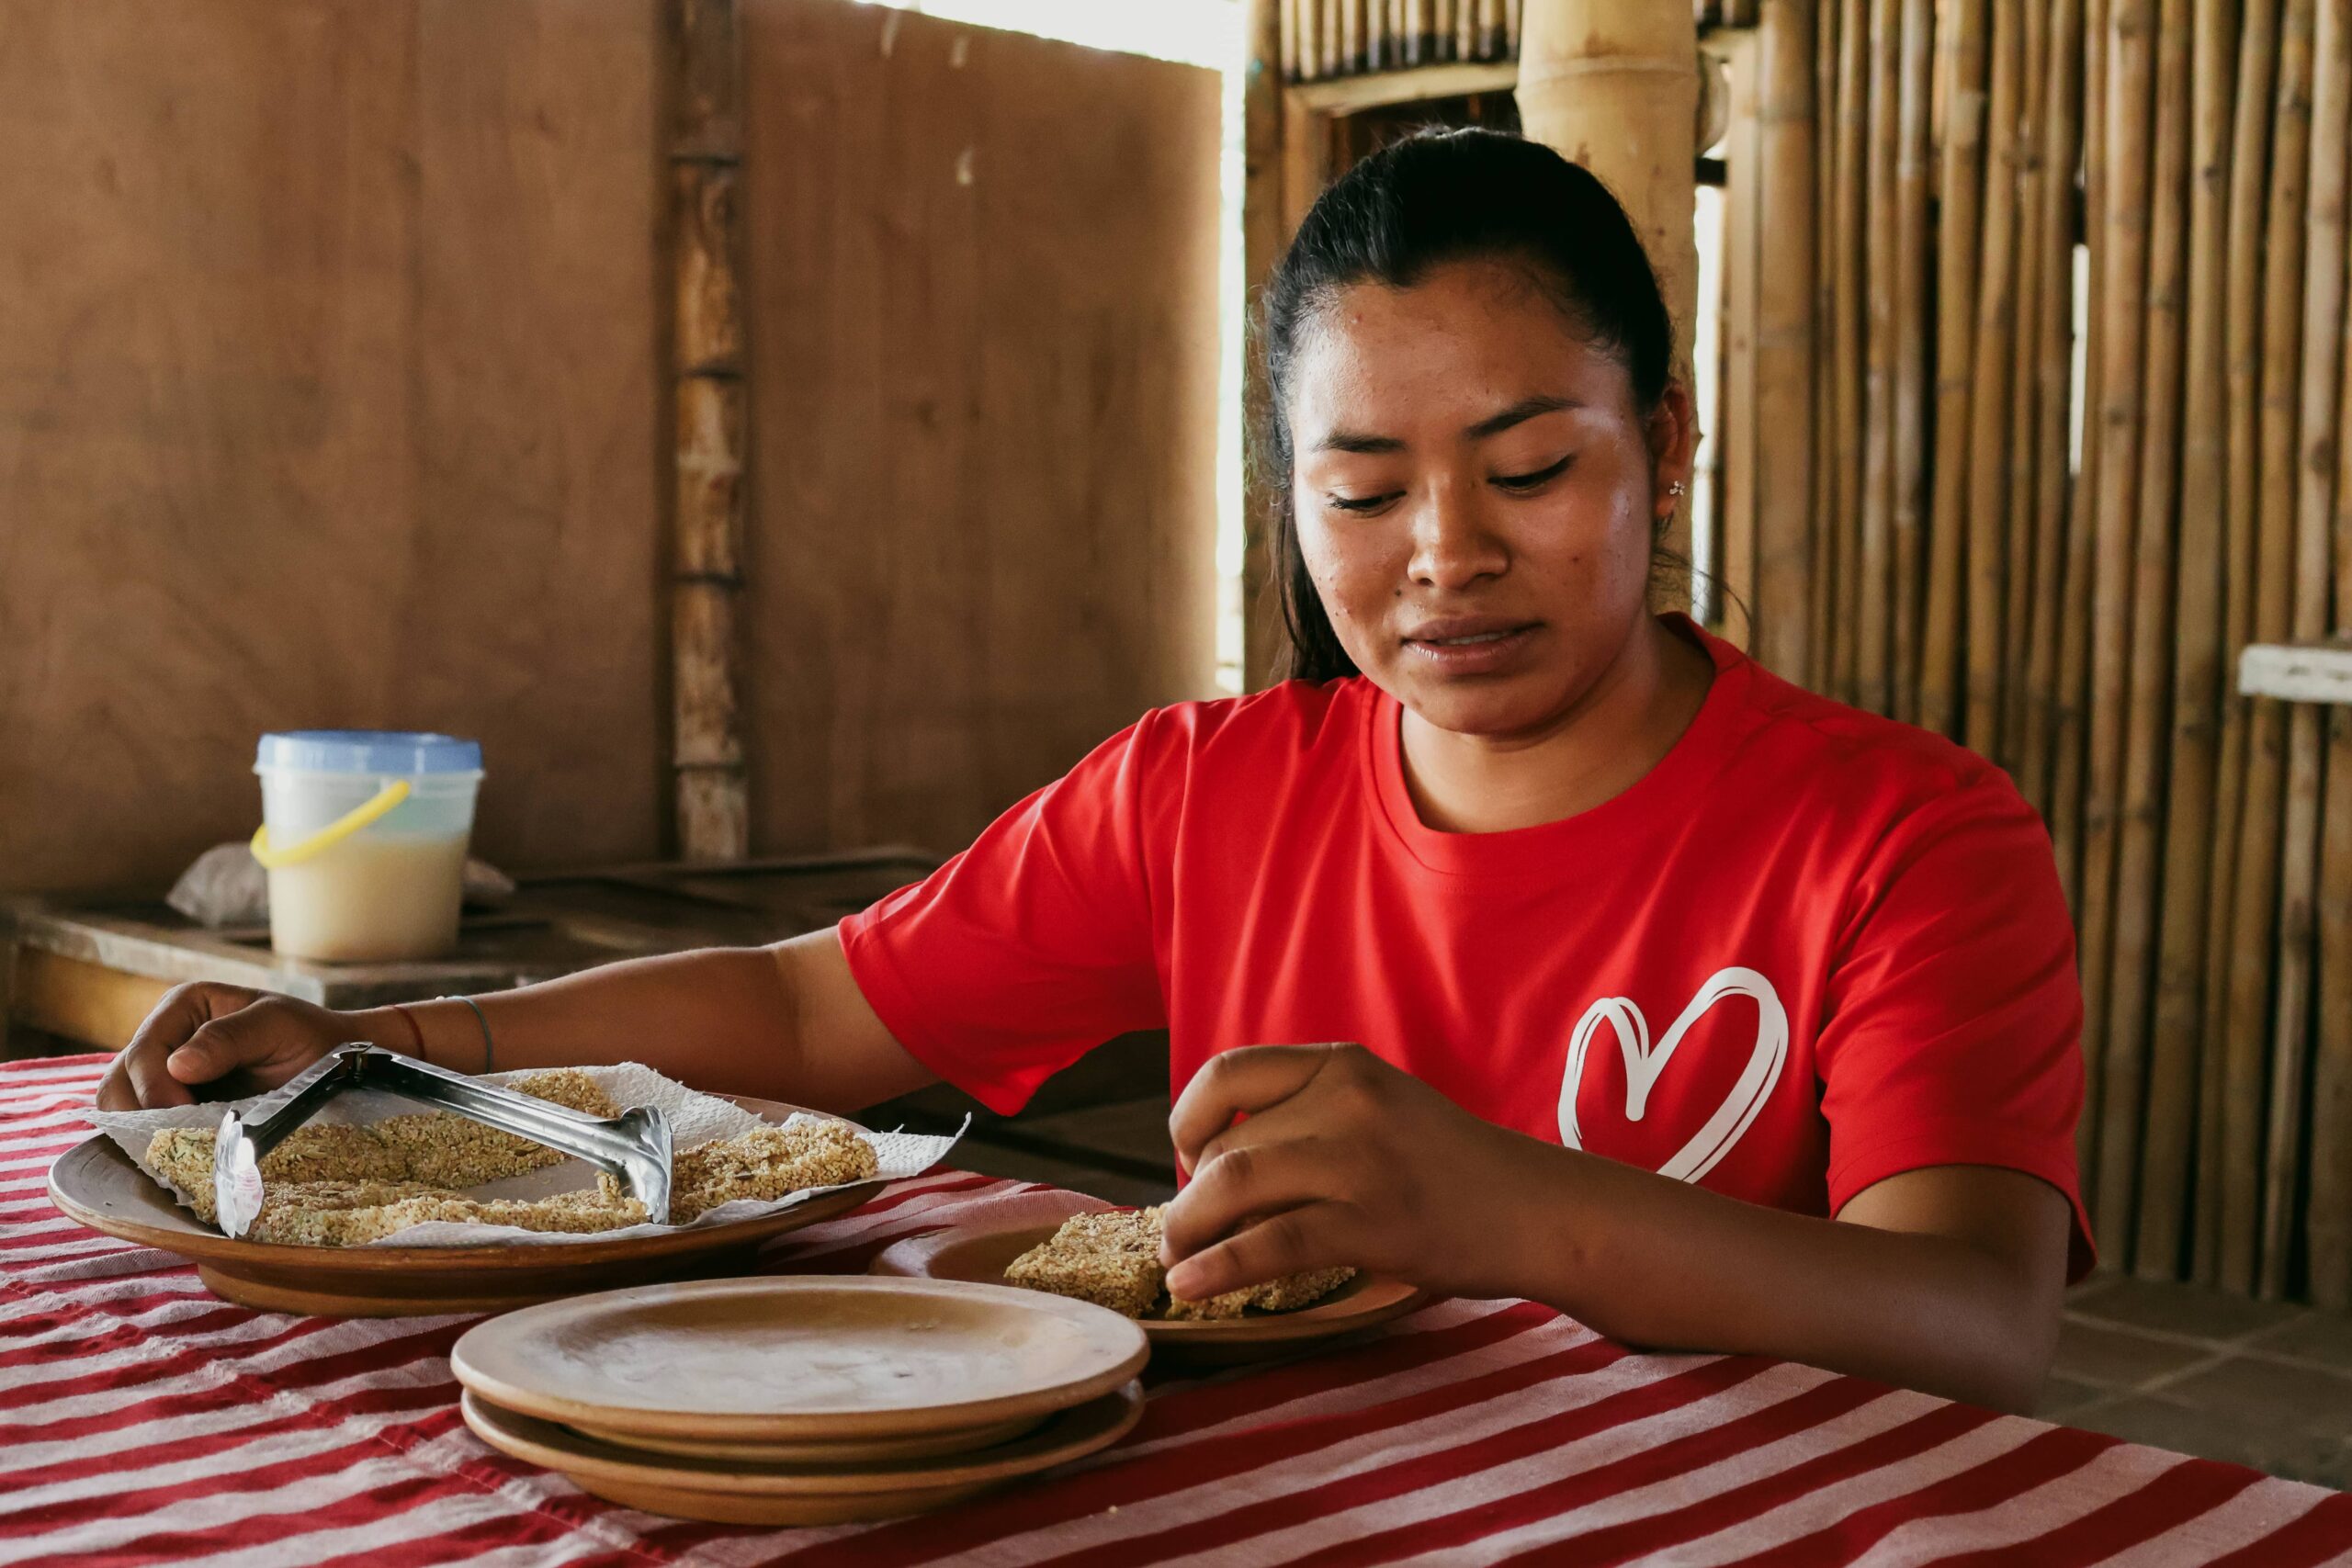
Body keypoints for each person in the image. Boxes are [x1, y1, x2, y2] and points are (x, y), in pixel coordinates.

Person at [99, 129, 2087, 1414]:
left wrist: (1494, 1207)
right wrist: (410, 1039)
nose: (1444, 555)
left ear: (1665, 434)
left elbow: (1973, 1316)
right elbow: (810, 1003)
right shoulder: (1205, 792)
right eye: (1361, 486)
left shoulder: (1900, 836)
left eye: (1532, 466)